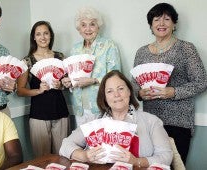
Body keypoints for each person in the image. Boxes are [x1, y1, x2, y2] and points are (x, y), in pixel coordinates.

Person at [132, 3, 207, 164]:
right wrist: (139, 93)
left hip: (178, 122)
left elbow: (201, 82)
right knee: (150, 166)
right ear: (151, 25)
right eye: (157, 19)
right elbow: (134, 84)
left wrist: (172, 92)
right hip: (149, 121)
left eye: (167, 19)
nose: (161, 23)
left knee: (175, 166)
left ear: (174, 24)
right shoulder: (141, 52)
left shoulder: (186, 48)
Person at [59, 70, 173, 168]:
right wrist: (85, 156)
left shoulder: (151, 121)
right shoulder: (94, 122)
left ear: (129, 91)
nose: (116, 94)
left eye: (121, 89)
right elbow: (65, 145)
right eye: (110, 91)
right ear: (105, 97)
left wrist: (136, 161)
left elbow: (166, 156)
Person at [16, 21, 69, 157]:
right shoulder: (26, 61)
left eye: (46, 33)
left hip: (61, 111)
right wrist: (38, 91)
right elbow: (20, 90)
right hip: (38, 115)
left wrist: (61, 85)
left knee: (62, 156)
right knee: (42, 159)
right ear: (34, 37)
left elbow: (69, 83)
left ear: (51, 35)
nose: (43, 37)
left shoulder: (60, 57)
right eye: (38, 34)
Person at [61, 7, 121, 127]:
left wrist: (93, 80)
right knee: (82, 143)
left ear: (98, 26)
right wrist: (68, 82)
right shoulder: (75, 49)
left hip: (101, 105)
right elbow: (72, 76)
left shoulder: (108, 45)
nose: (88, 29)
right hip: (80, 108)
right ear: (79, 29)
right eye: (83, 25)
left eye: (92, 24)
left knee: (101, 143)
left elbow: (116, 76)